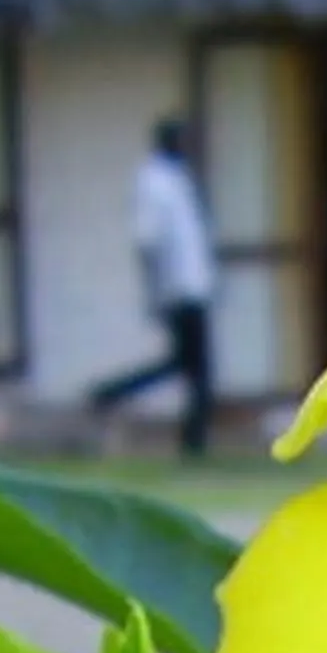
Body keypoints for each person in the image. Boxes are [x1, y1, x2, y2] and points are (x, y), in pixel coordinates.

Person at [88, 118, 215, 454]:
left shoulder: (177, 177)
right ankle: (192, 441)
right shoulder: (153, 181)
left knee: (184, 364)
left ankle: (110, 394)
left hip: (194, 285)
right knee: (195, 368)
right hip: (177, 289)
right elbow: (147, 241)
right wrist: (155, 293)